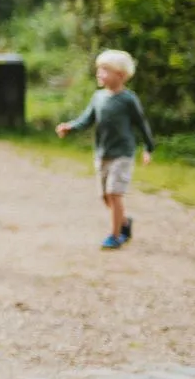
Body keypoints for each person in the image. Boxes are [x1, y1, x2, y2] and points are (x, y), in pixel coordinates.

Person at [56, 50, 155, 250]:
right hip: (103, 153)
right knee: (105, 196)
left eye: (105, 70)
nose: (99, 74)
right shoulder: (98, 97)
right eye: (99, 70)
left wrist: (148, 147)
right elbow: (86, 119)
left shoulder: (128, 99)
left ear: (120, 75)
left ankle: (115, 235)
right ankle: (124, 222)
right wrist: (70, 127)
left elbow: (141, 123)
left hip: (123, 154)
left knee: (114, 194)